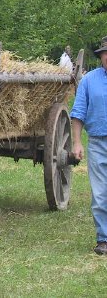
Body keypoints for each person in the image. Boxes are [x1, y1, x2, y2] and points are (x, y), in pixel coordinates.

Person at [71, 36, 107, 255]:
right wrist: (76, 142)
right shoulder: (89, 81)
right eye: (105, 53)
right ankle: (103, 239)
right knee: (101, 194)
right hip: (97, 143)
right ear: (101, 56)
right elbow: (78, 112)